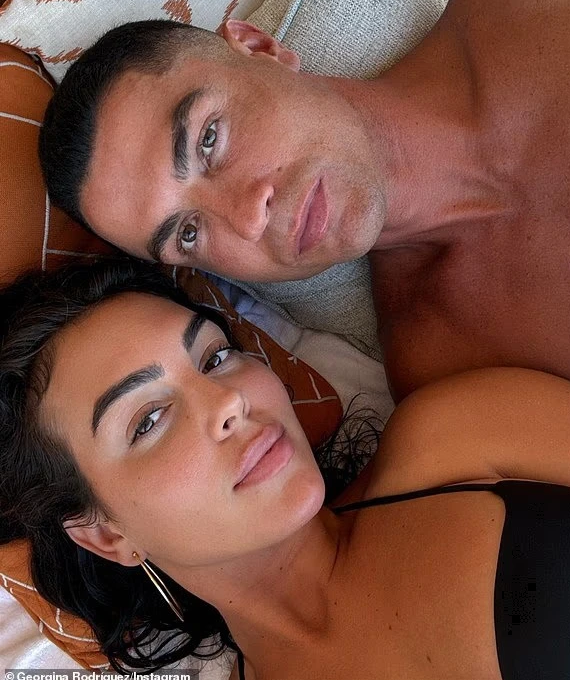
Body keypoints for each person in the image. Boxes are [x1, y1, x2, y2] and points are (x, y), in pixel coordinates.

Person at [2, 259, 570, 680]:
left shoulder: (458, 439)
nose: (228, 401)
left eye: (215, 357)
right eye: (149, 419)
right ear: (106, 535)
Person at [38, 1, 570, 402]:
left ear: (260, 48)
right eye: (189, 233)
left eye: (208, 140)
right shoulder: (451, 374)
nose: (248, 218)